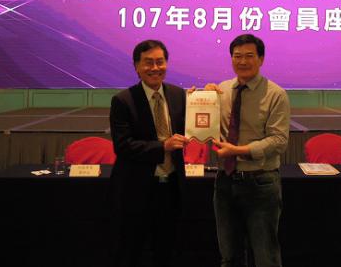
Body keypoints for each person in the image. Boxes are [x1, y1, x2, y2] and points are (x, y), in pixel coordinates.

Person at [206, 34, 290, 267]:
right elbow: (205, 126)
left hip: (260, 183)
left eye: (249, 56)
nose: (242, 61)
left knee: (265, 256)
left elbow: (279, 141)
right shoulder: (221, 90)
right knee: (229, 255)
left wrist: (237, 151)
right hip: (225, 181)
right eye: (237, 56)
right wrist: (201, 98)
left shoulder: (276, 94)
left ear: (261, 59)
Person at [109, 40, 189, 267]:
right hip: (136, 190)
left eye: (160, 62)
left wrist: (208, 99)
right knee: (131, 251)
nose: (155, 68)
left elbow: (192, 126)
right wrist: (163, 146)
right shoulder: (123, 100)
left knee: (166, 250)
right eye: (148, 62)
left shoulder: (178, 95)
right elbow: (123, 146)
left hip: (171, 187)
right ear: (136, 66)